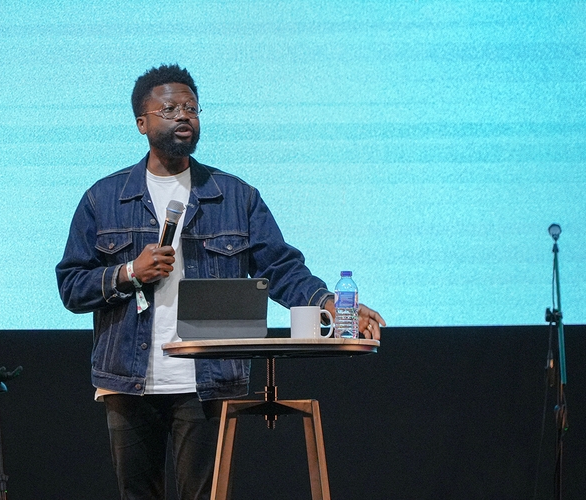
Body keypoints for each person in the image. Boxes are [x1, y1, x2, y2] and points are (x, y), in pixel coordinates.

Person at [56, 63, 385, 500]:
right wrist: (129, 272)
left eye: (191, 108)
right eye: (169, 109)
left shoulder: (234, 196)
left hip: (207, 378)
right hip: (127, 379)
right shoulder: (104, 198)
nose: (183, 115)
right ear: (141, 123)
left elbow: (281, 268)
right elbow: (71, 286)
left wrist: (331, 304)